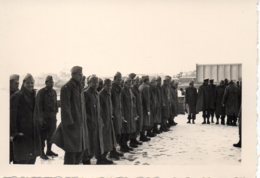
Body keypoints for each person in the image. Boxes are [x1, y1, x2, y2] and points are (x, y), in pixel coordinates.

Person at [52, 66, 89, 164]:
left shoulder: (78, 87)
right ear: (73, 75)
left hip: (79, 126)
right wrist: (70, 125)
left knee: (79, 151)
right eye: (79, 74)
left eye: (82, 74)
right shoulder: (66, 88)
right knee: (71, 152)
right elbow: (66, 109)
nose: (81, 76)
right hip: (72, 127)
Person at [10, 74, 41, 164]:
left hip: (33, 136)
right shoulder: (17, 96)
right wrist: (15, 133)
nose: (30, 85)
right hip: (22, 136)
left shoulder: (34, 96)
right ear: (23, 83)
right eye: (28, 83)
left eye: (32, 83)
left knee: (31, 161)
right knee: (21, 162)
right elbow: (12, 117)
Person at [83, 75, 112, 164]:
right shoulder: (85, 94)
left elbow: (99, 110)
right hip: (89, 124)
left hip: (97, 122)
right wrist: (89, 120)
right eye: (93, 82)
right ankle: (86, 160)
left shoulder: (96, 94)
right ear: (89, 83)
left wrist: (100, 120)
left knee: (98, 142)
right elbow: (84, 110)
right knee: (89, 143)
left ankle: (100, 159)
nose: (95, 84)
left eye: (96, 82)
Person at [35, 75, 58, 160]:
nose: (51, 83)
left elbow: (55, 104)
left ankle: (49, 150)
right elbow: (38, 107)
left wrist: (55, 113)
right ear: (46, 83)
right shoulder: (41, 92)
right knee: (43, 136)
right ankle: (42, 152)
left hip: (52, 118)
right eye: (49, 82)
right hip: (44, 119)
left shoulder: (54, 92)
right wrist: (41, 119)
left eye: (52, 82)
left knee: (51, 136)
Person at [99, 79, 118, 161]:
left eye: (110, 85)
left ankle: (110, 153)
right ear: (104, 85)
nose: (110, 87)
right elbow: (100, 110)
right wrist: (102, 121)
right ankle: (102, 158)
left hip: (109, 119)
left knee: (110, 138)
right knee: (105, 139)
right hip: (104, 121)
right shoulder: (101, 95)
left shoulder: (108, 94)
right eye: (108, 85)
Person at [110, 72, 124, 158]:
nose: (119, 81)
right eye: (118, 79)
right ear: (114, 78)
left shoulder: (118, 88)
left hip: (118, 113)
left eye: (120, 79)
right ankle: (112, 151)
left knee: (118, 132)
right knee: (114, 133)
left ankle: (115, 150)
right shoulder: (112, 88)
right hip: (114, 114)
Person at [120, 77, 137, 151]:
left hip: (131, 113)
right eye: (128, 83)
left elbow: (133, 101)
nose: (130, 84)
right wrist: (122, 115)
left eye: (131, 82)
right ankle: (123, 146)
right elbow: (121, 104)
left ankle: (126, 144)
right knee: (125, 131)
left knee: (129, 130)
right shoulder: (123, 91)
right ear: (125, 83)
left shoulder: (130, 90)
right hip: (125, 113)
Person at [10, 74, 20, 163]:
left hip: (15, 130)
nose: (17, 85)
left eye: (18, 83)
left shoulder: (18, 95)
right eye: (15, 83)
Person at [131, 76, 144, 144]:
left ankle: (135, 139)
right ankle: (132, 140)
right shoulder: (133, 89)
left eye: (138, 81)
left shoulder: (137, 89)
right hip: (135, 110)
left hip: (139, 109)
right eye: (136, 81)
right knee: (135, 125)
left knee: (138, 125)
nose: (138, 82)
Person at [139, 75, 152, 141]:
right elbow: (147, 99)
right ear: (146, 80)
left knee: (143, 122)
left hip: (141, 106)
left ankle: (142, 135)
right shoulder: (146, 87)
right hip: (144, 107)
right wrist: (148, 109)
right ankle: (142, 136)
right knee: (145, 122)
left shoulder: (141, 86)